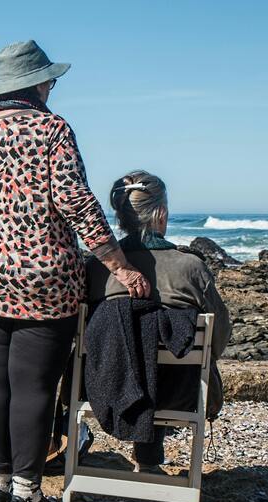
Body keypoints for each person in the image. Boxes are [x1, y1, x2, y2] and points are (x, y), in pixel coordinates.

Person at [0, 40, 151, 502]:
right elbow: (75, 201)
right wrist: (119, 264)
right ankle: (26, 494)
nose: (52, 86)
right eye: (49, 79)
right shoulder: (53, 129)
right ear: (36, 83)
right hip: (44, 277)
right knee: (33, 386)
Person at [85, 170, 231, 472]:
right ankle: (149, 460)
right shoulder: (190, 267)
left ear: (121, 216)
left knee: (132, 348)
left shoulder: (96, 269)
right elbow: (219, 337)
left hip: (102, 388)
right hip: (178, 393)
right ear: (161, 213)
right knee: (165, 357)